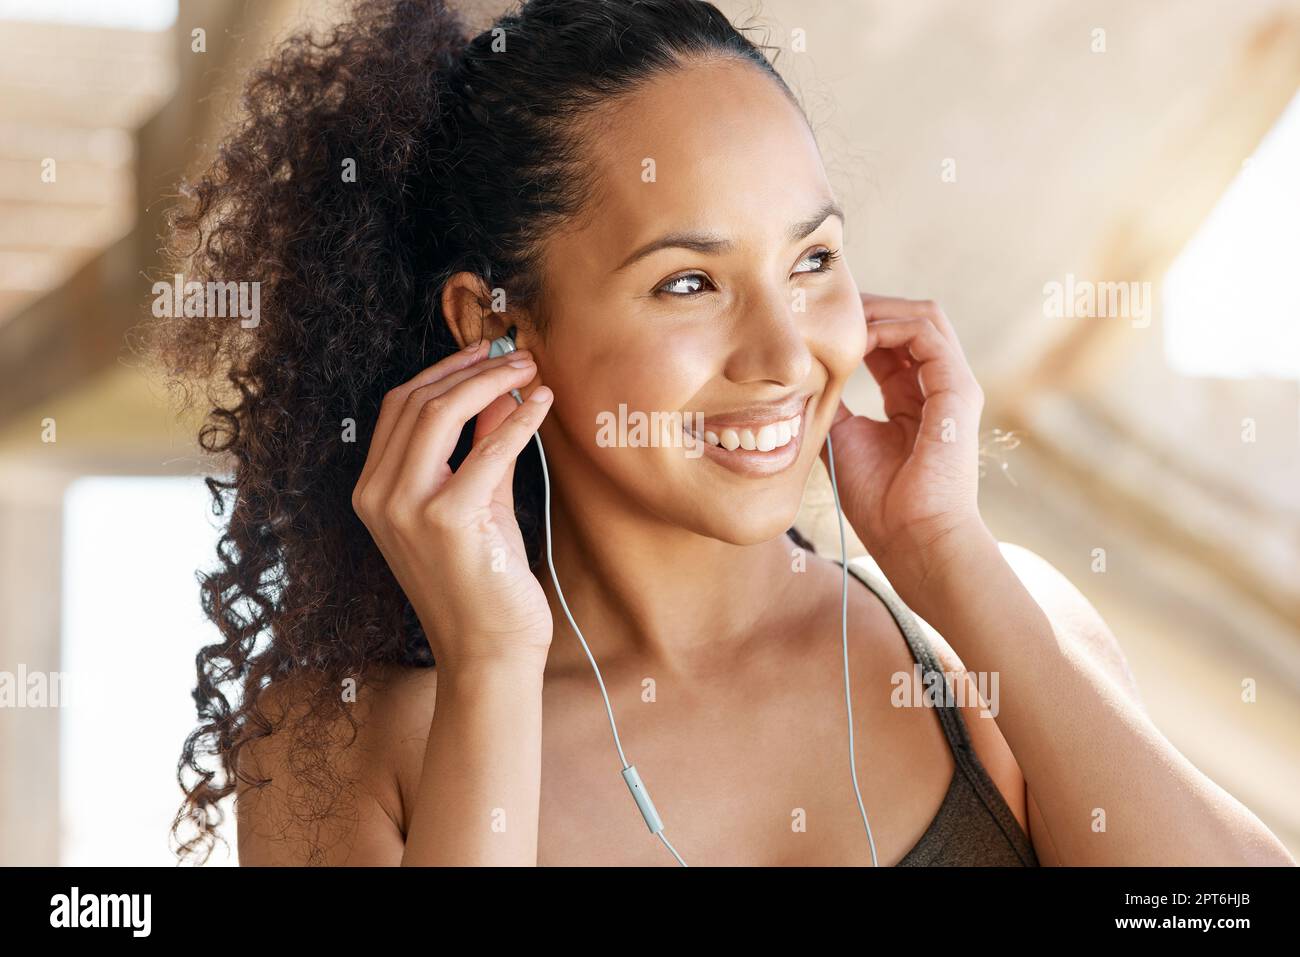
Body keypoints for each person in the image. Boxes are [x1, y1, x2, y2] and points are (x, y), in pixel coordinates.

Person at [157, 0, 1295, 866]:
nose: (782, 353)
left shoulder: (981, 638)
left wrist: (946, 554)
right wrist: (492, 669)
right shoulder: (339, 746)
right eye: (689, 282)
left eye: (811, 262)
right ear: (494, 323)